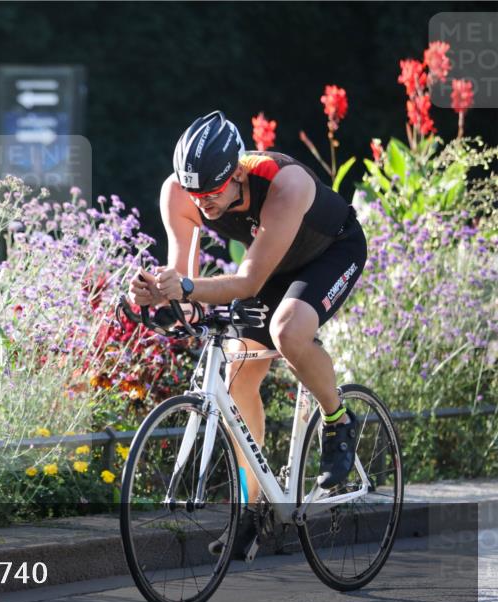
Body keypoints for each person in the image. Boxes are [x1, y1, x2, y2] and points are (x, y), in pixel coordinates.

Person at [128, 110, 368, 559]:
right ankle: (251, 508)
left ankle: (338, 421)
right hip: (273, 264)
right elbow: (185, 285)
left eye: (212, 192)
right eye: (195, 193)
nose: (202, 203)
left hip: (330, 253)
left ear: (238, 173)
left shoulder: (285, 185)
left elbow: (248, 282)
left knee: (288, 331)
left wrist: (184, 288)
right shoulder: (179, 193)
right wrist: (156, 295)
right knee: (237, 374)